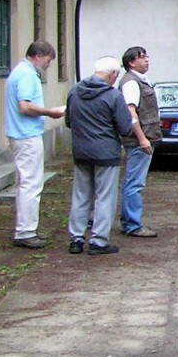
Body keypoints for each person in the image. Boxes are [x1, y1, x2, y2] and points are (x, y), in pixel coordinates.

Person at [65, 57, 134, 255]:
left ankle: (76, 238)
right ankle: (99, 241)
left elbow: (69, 121)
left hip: (81, 152)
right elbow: (124, 128)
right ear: (111, 74)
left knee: (81, 195)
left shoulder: (75, 91)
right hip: (106, 153)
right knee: (105, 197)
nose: (115, 79)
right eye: (116, 75)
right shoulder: (113, 95)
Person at [4, 41, 66, 248]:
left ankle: (26, 229)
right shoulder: (27, 74)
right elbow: (25, 106)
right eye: (49, 60)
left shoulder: (20, 72)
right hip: (26, 135)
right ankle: (25, 232)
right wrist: (50, 112)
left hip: (21, 134)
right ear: (38, 55)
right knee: (31, 184)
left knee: (27, 183)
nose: (49, 65)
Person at [118, 46, 161, 238]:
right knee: (134, 183)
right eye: (142, 57)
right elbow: (130, 112)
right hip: (138, 141)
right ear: (131, 62)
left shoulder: (140, 81)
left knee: (134, 182)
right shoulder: (131, 83)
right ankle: (132, 224)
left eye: (147, 56)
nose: (147, 60)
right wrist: (142, 138)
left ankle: (129, 221)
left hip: (144, 138)